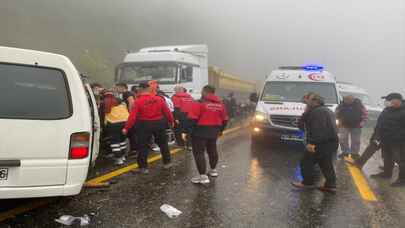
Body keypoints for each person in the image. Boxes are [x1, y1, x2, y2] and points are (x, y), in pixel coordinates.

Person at [123, 82, 174, 174]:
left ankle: (143, 168)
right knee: (163, 144)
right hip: (159, 123)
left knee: (143, 146)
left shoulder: (138, 101)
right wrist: (171, 121)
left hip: (144, 124)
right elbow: (167, 112)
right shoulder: (159, 99)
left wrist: (126, 128)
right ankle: (167, 162)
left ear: (141, 89)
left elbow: (133, 116)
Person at [292, 93, 339, 193]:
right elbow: (301, 125)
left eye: (308, 100)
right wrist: (306, 112)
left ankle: (308, 183)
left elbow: (318, 129)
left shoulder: (318, 112)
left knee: (306, 162)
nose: (306, 102)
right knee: (325, 163)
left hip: (320, 142)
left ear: (316, 101)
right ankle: (331, 185)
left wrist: (311, 143)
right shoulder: (322, 110)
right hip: (329, 142)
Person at [188, 85, 228, 184]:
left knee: (199, 152)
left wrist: (188, 131)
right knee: (212, 149)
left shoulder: (199, 103)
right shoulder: (220, 104)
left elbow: (192, 119)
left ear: (205, 92)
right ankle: (213, 170)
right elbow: (225, 119)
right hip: (214, 130)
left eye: (202, 91)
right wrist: (221, 130)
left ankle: (203, 176)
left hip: (200, 131)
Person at [369, 93, 405, 187]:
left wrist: (398, 137)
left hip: (399, 142)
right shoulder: (387, 110)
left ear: (397, 100)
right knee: (387, 158)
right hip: (385, 140)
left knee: (401, 160)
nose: (387, 102)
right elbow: (380, 124)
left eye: (389, 100)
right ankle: (387, 173)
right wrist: (375, 136)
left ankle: (402, 180)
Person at [102, 91, 130, 165]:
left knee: (115, 142)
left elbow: (103, 114)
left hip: (113, 124)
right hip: (125, 122)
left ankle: (118, 159)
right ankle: (123, 156)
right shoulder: (121, 103)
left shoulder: (105, 102)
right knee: (122, 140)